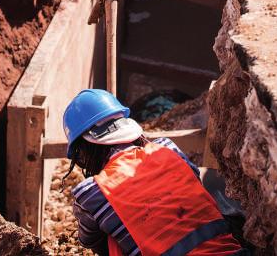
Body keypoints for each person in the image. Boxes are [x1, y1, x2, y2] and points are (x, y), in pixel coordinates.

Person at [62, 89, 249, 256]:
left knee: (111, 236)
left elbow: (90, 242)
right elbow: (193, 187)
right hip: (234, 252)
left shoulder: (91, 191)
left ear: (84, 150)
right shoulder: (166, 147)